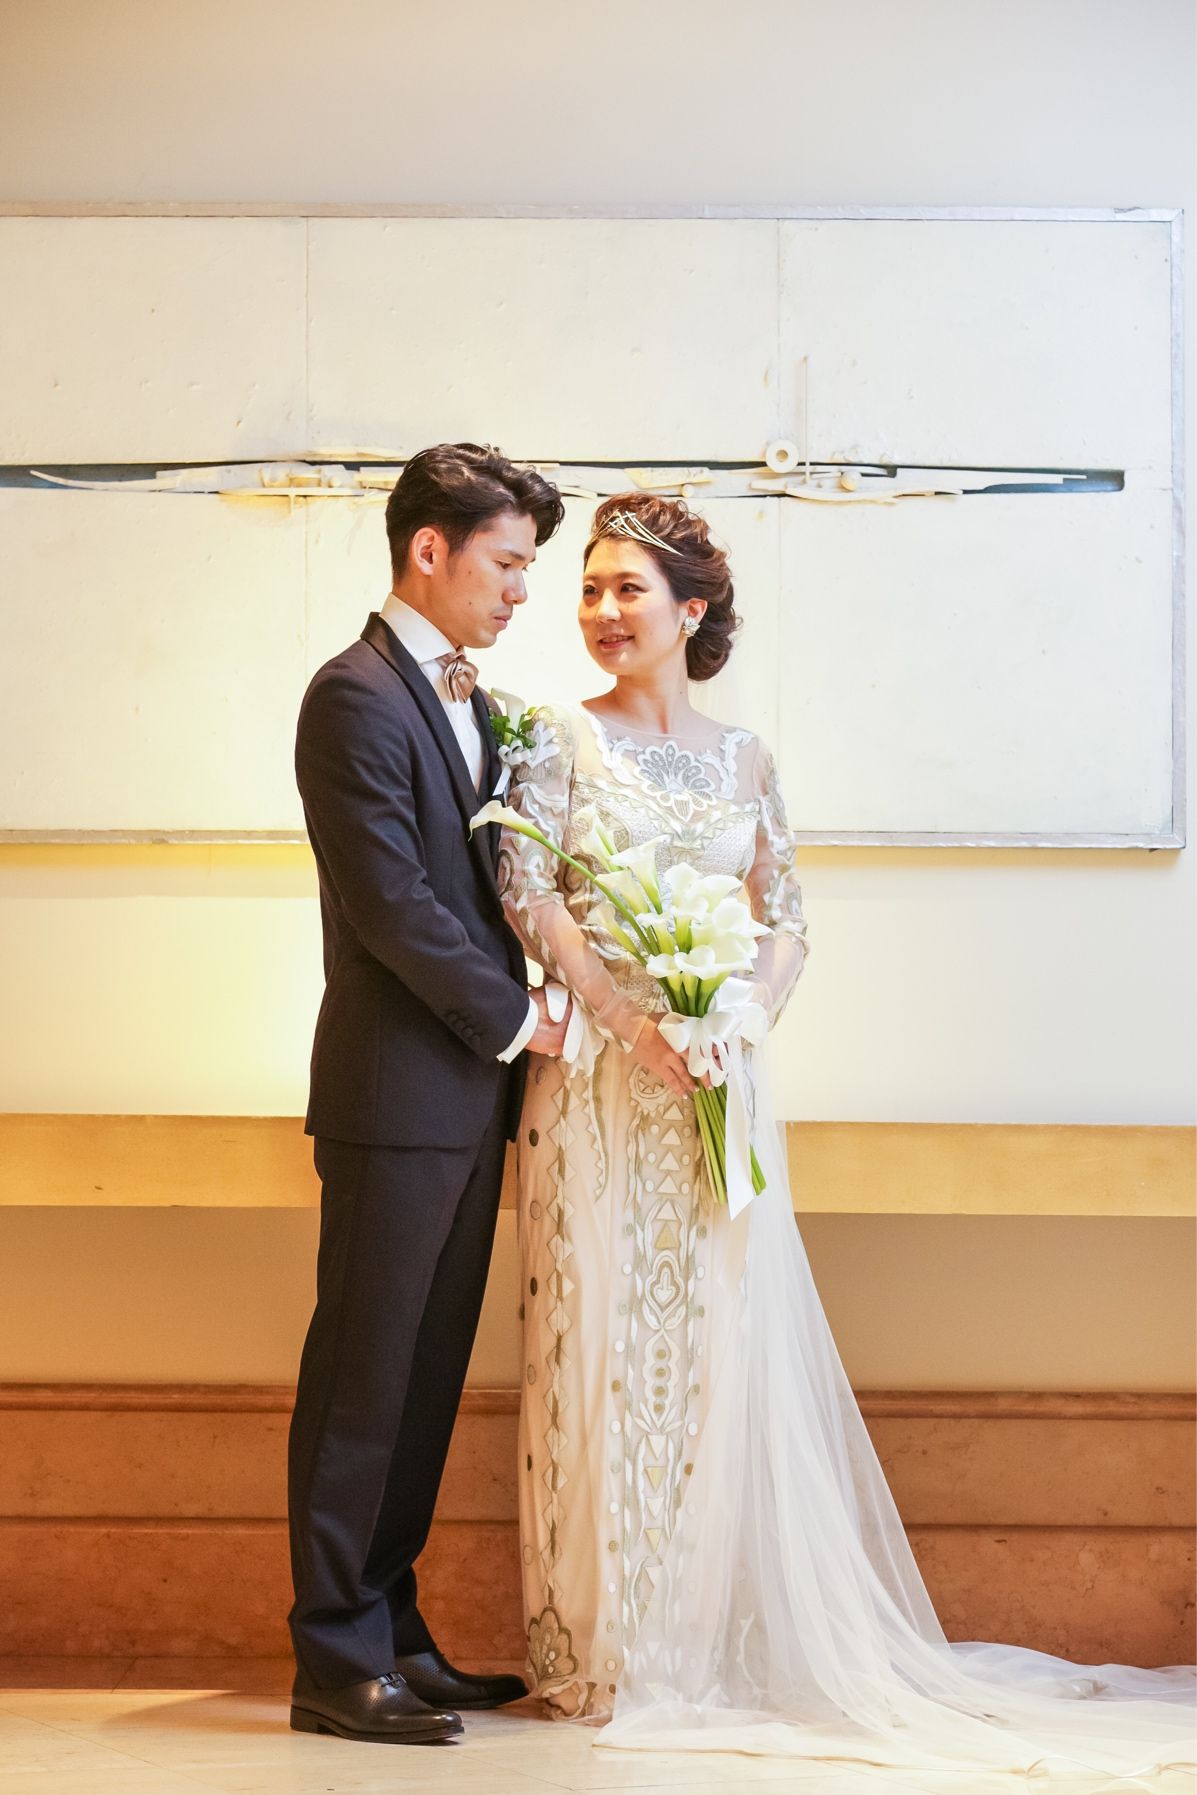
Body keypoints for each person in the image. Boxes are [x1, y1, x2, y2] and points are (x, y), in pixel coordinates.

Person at [498, 490, 1195, 1779]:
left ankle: (701, 1642)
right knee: (598, 1345)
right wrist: (631, 1020)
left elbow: (788, 921)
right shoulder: (556, 738)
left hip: (718, 1084)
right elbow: (528, 892)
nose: (600, 611)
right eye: (586, 589)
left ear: (691, 611)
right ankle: (604, 1651)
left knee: (716, 1347)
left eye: (627, 589)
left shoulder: (746, 757)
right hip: (600, 1084)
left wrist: (737, 1021)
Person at [287, 443, 569, 1746]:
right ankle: (333, 1658)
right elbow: (392, 904)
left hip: (465, 1102)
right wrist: (524, 1018)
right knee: (362, 1378)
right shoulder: (350, 696)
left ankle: (393, 1631)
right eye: (507, 563)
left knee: (423, 1381)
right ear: (429, 549)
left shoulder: (472, 700)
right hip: (395, 1098)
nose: (521, 590)